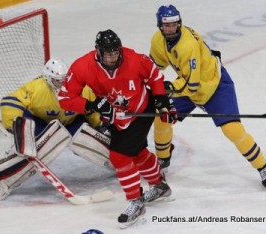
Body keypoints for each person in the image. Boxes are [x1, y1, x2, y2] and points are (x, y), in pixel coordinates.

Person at [58, 29, 178, 227]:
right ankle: (160, 186)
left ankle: (136, 202)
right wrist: (91, 105)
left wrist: (161, 100)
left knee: (119, 156)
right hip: (116, 117)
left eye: (116, 52)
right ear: (99, 52)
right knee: (137, 153)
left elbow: (154, 76)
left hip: (140, 111)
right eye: (108, 54)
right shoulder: (82, 66)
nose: (113, 57)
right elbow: (65, 98)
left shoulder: (134, 58)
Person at [150, 5, 266, 189]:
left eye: (174, 24)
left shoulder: (187, 44)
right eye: (167, 25)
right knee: (162, 116)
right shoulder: (158, 40)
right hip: (188, 85)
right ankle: (163, 159)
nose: (171, 29)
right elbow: (153, 68)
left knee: (233, 130)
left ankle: (262, 166)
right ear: (160, 25)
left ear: (179, 23)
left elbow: (192, 85)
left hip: (214, 86)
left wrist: (169, 88)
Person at [0, 58, 112, 201]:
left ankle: (128, 166)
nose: (62, 84)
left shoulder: (82, 89)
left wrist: (100, 125)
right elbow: (9, 101)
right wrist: (16, 127)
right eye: (57, 80)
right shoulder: (36, 88)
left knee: (90, 140)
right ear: (48, 79)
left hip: (72, 123)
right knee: (42, 147)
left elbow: (91, 110)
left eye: (64, 79)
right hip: (40, 124)